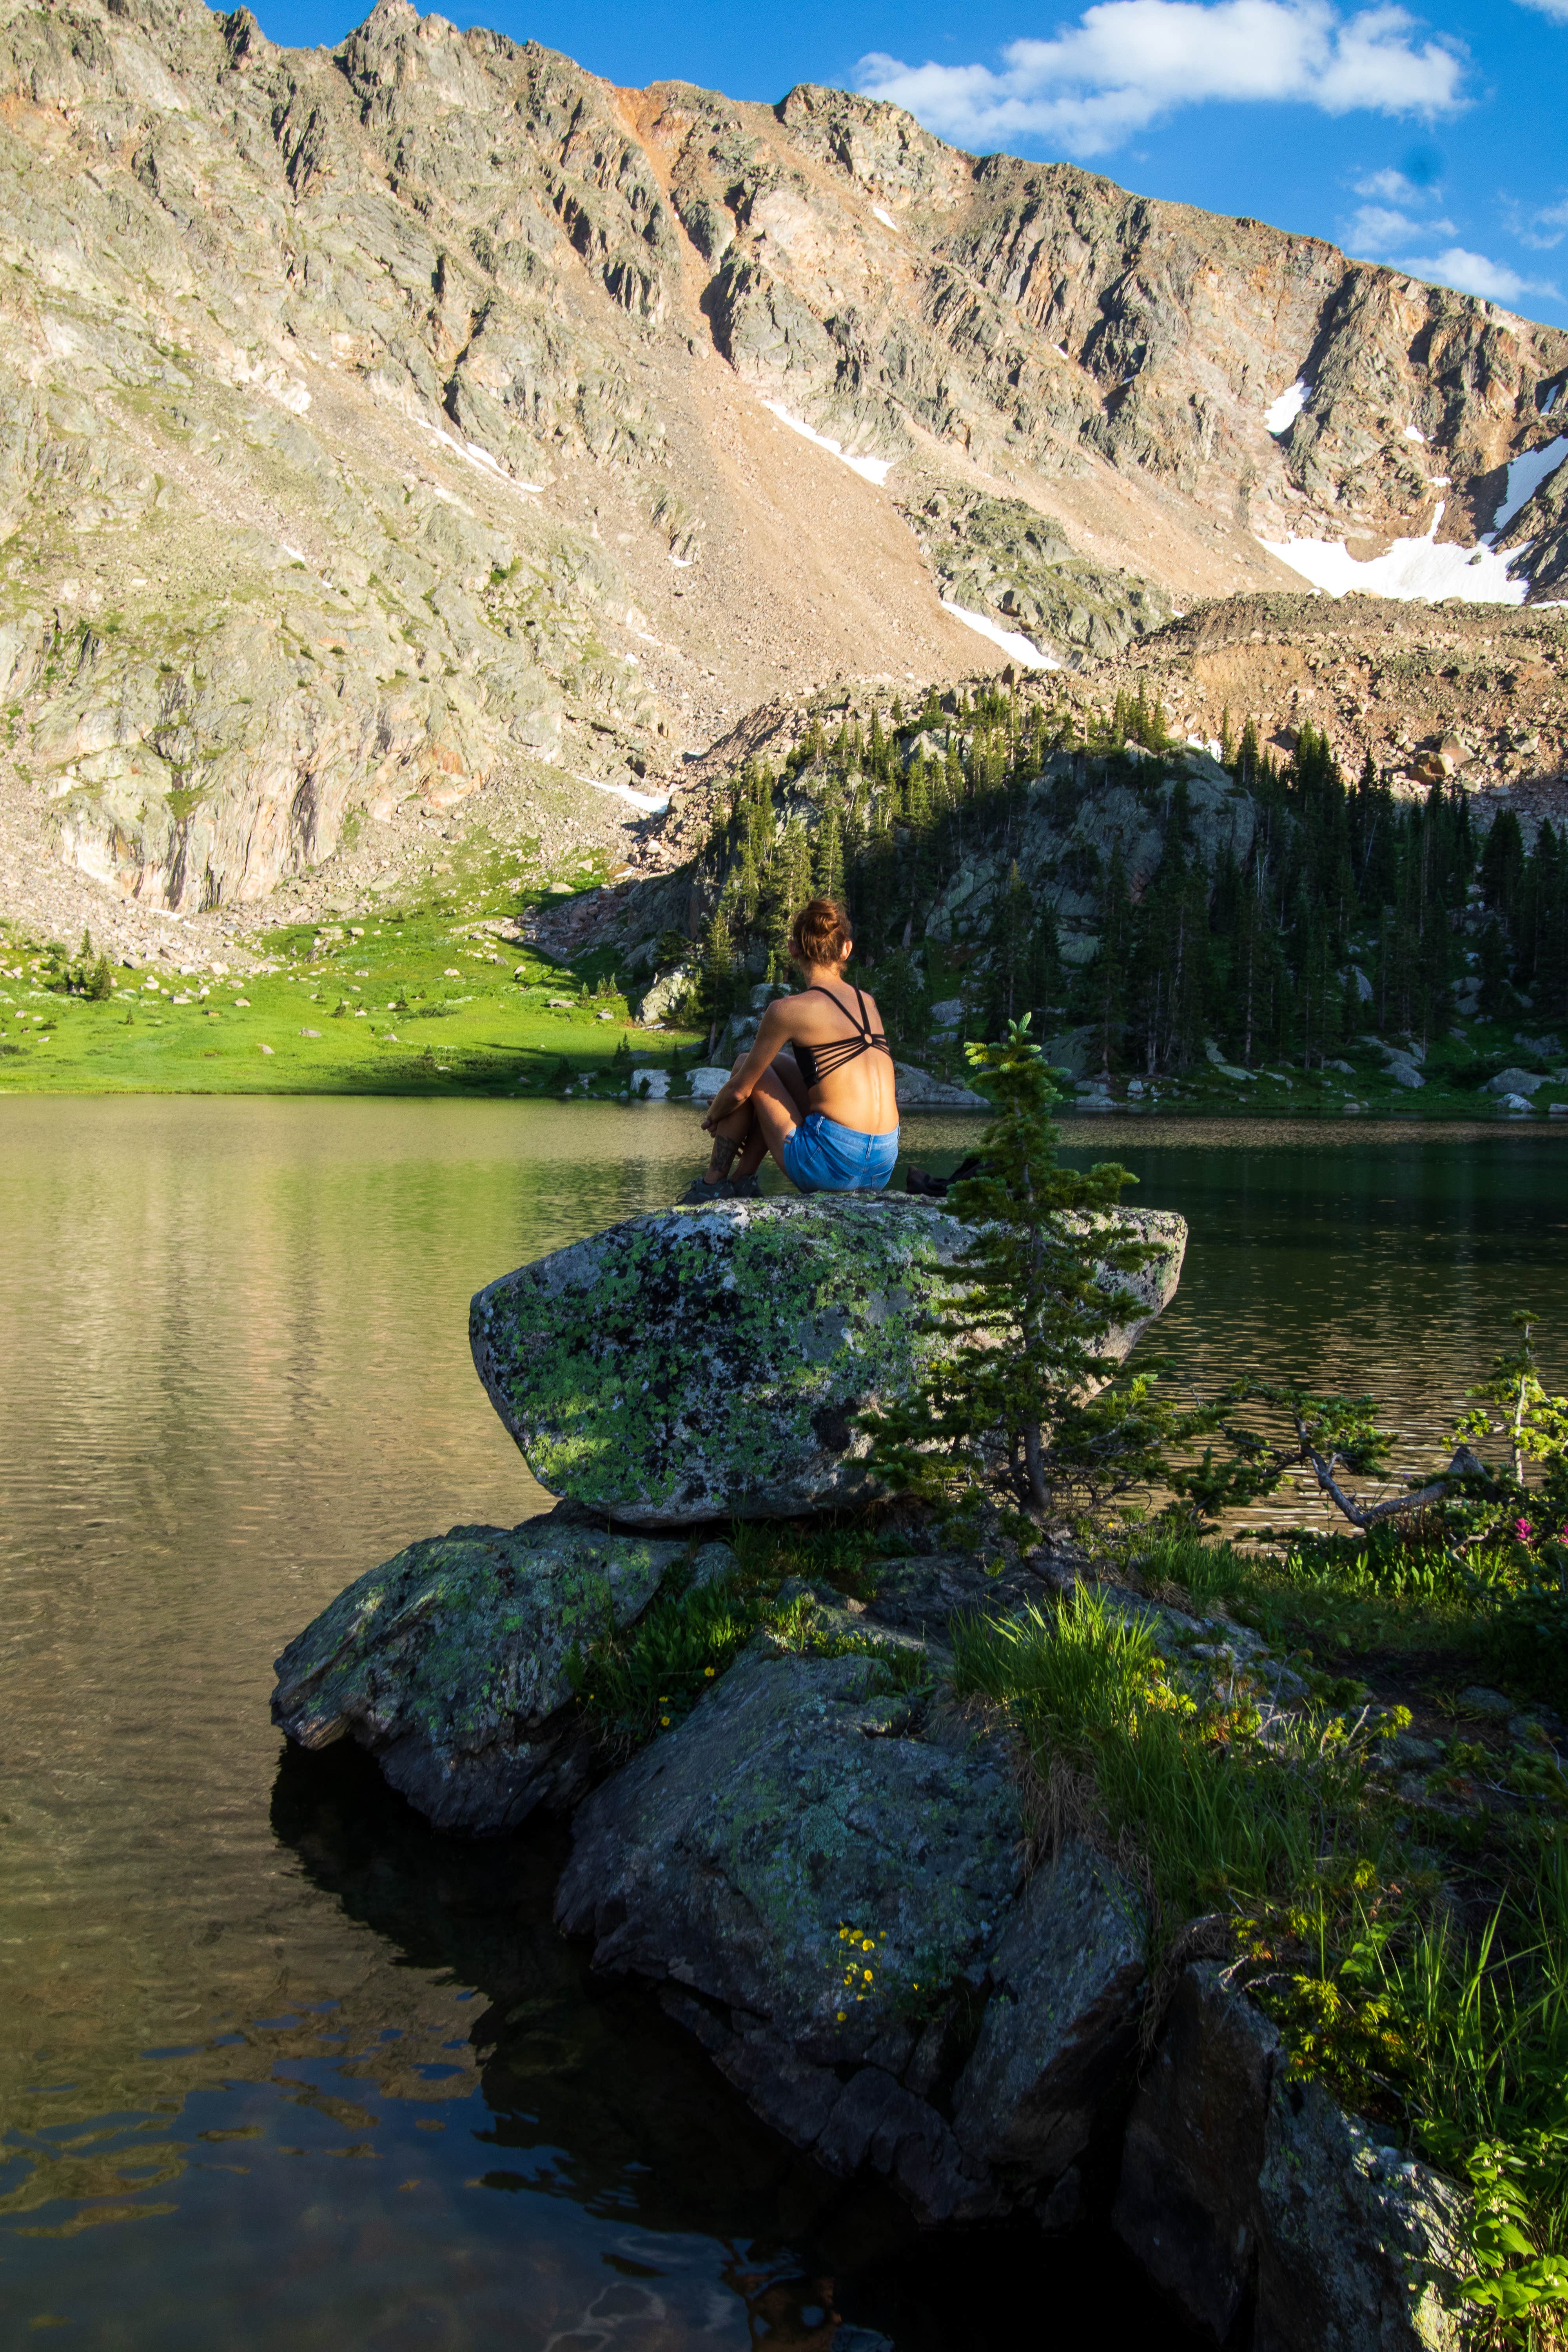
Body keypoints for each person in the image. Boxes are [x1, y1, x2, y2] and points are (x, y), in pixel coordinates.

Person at [679, 897, 899, 1201]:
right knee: (779, 1065)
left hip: (832, 1167)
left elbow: (740, 1091)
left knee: (747, 1064)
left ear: (793, 949)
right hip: (883, 1166)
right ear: (847, 949)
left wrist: (714, 1115)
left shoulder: (788, 1011)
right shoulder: (868, 1003)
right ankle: (743, 1180)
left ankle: (712, 1184)